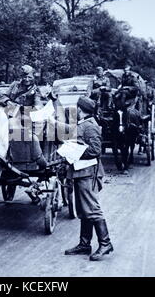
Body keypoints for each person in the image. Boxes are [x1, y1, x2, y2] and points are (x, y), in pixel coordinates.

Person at [49, 96, 113, 261]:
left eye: (77, 108)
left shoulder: (90, 126)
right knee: (84, 210)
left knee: (92, 208)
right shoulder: (82, 124)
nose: (75, 110)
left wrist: (73, 151)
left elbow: (96, 150)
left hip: (88, 173)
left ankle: (105, 243)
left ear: (81, 109)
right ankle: (84, 244)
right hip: (80, 172)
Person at [0, 65, 47, 169]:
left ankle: (22, 156)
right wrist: (8, 101)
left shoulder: (35, 90)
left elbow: (38, 103)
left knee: (16, 127)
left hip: (25, 116)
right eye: (24, 77)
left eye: (29, 77)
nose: (26, 79)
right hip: (10, 112)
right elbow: (3, 96)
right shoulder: (15, 85)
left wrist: (36, 108)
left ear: (34, 78)